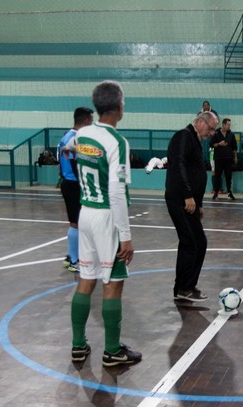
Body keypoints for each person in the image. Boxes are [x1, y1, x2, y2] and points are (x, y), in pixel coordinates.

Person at [70, 80, 141, 367]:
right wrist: (125, 235)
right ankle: (112, 350)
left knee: (86, 279)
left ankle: (78, 345)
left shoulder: (84, 132)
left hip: (85, 212)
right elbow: (115, 192)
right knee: (112, 283)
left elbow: (72, 146)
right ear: (119, 107)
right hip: (106, 217)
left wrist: (69, 152)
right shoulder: (117, 142)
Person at [165, 112, 219, 302]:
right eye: (210, 128)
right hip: (179, 199)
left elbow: (195, 172)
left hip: (190, 202)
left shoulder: (195, 141)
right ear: (200, 121)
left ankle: (188, 285)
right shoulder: (183, 136)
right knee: (190, 241)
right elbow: (178, 166)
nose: (211, 133)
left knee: (199, 242)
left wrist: (199, 203)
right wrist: (188, 195)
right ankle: (183, 288)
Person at [58, 106, 94, 273]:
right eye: (91, 121)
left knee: (78, 222)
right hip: (73, 184)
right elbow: (74, 164)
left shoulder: (67, 136)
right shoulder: (73, 139)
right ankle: (74, 260)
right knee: (76, 223)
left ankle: (71, 255)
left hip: (70, 183)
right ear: (86, 121)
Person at [210, 118, 238, 200]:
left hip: (228, 158)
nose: (229, 126)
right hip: (218, 158)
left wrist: (235, 157)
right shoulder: (216, 133)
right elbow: (211, 144)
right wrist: (219, 144)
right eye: (228, 125)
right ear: (223, 124)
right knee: (217, 176)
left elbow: (234, 147)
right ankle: (216, 193)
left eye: (230, 125)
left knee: (228, 176)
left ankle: (229, 192)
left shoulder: (231, 134)